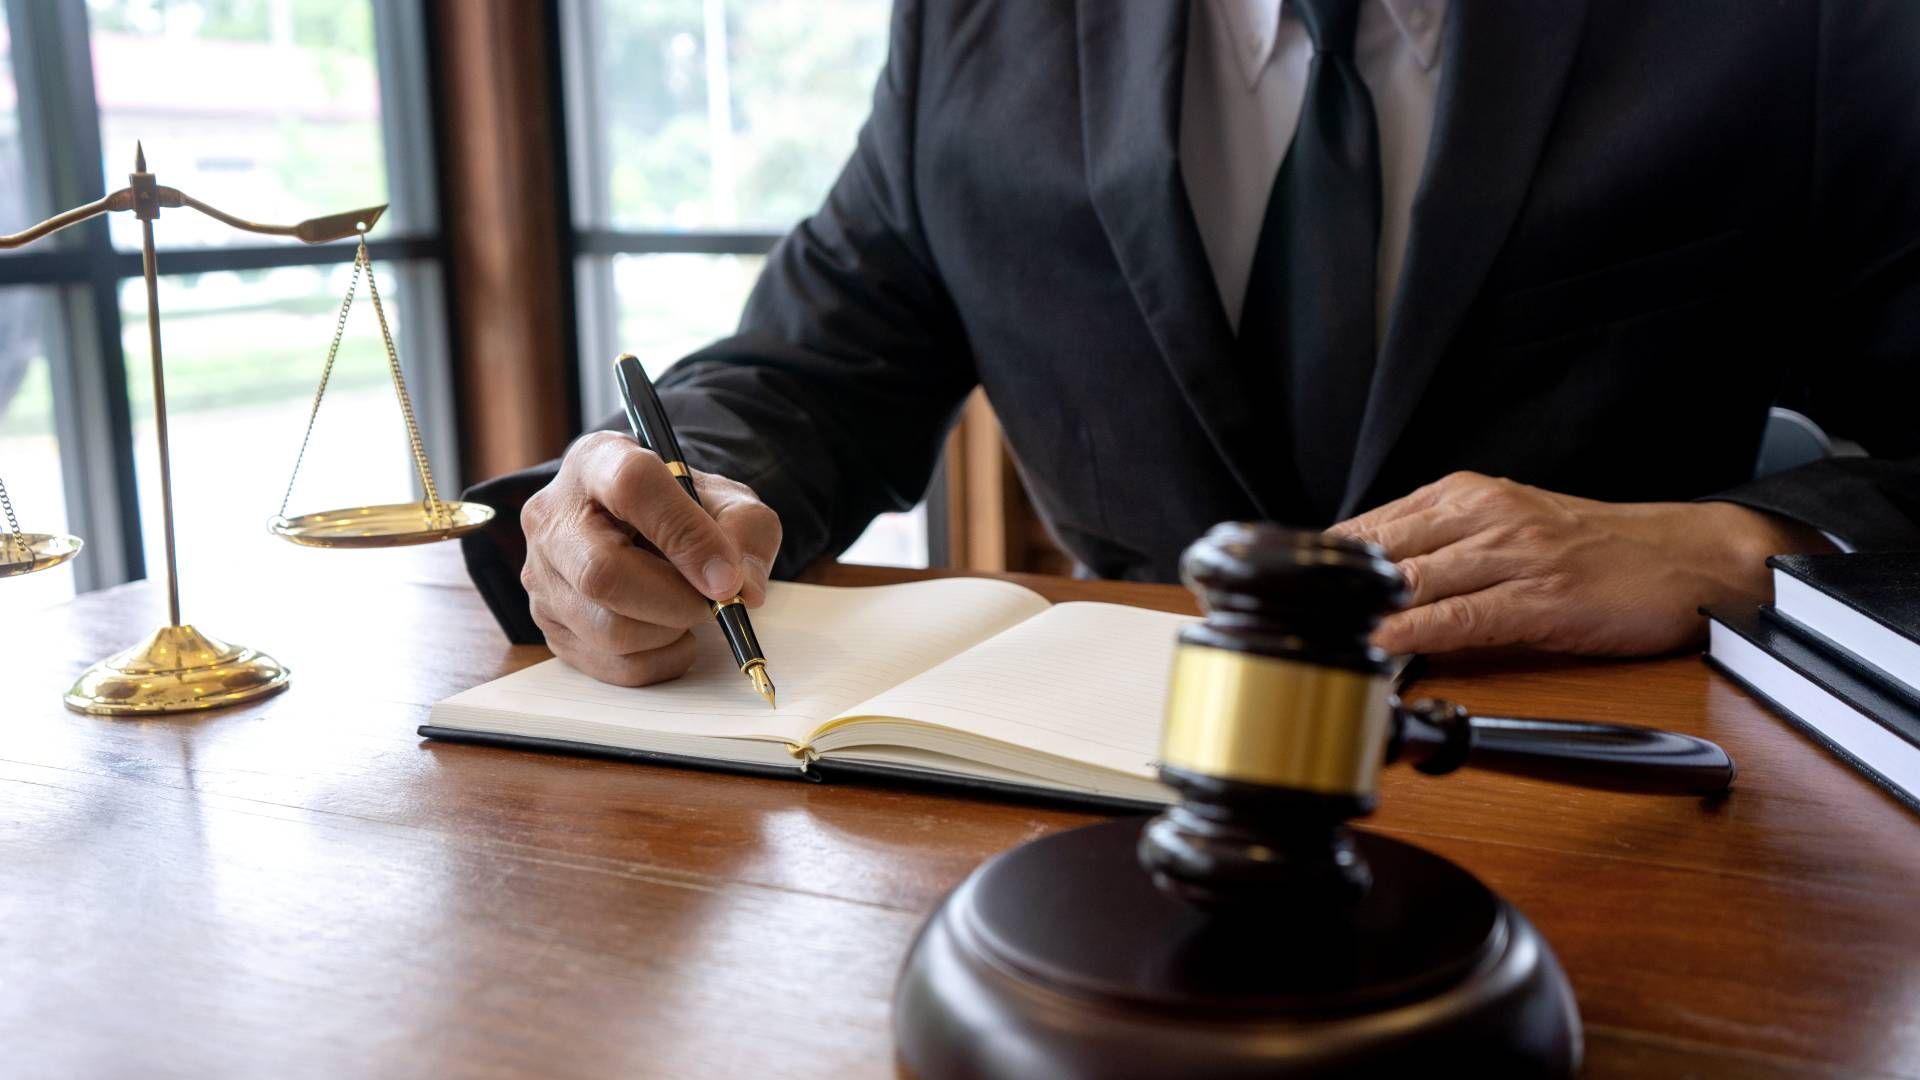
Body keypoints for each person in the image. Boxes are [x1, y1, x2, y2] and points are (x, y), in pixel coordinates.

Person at [463, 0, 1920, 688]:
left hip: (1611, 805)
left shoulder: (1791, 31)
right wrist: (663, 497)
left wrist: (1739, 550)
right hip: (1100, 823)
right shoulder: (977, 35)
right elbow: (806, 372)